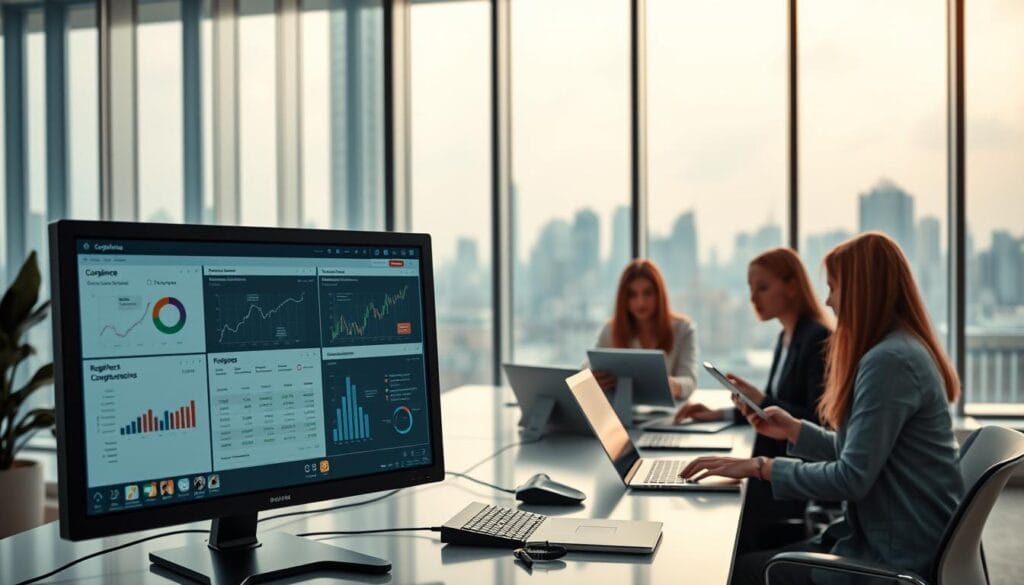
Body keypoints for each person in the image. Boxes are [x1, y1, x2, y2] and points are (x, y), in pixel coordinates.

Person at [679, 232, 964, 585]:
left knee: (732, 572)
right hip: (887, 539)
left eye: (833, 287)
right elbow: (856, 453)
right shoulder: (899, 349)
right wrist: (795, 430)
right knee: (741, 557)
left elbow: (850, 478)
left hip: (892, 557)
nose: (827, 300)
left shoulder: (889, 361)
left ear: (860, 291)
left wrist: (761, 467)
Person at [675, 247, 832, 551]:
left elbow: (817, 423)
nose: (752, 298)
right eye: (750, 288)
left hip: (792, 477)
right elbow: (770, 409)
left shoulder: (817, 338)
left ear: (792, 286)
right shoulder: (786, 336)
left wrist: (763, 399)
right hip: (771, 463)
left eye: (762, 287)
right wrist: (718, 414)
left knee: (710, 499)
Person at [592, 259, 697, 402]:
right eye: (632, 295)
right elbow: (590, 365)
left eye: (648, 293)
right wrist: (592, 377)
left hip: (668, 412)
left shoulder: (683, 329)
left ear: (659, 294)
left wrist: (672, 385)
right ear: (624, 299)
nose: (640, 302)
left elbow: (689, 381)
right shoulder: (610, 330)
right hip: (622, 410)